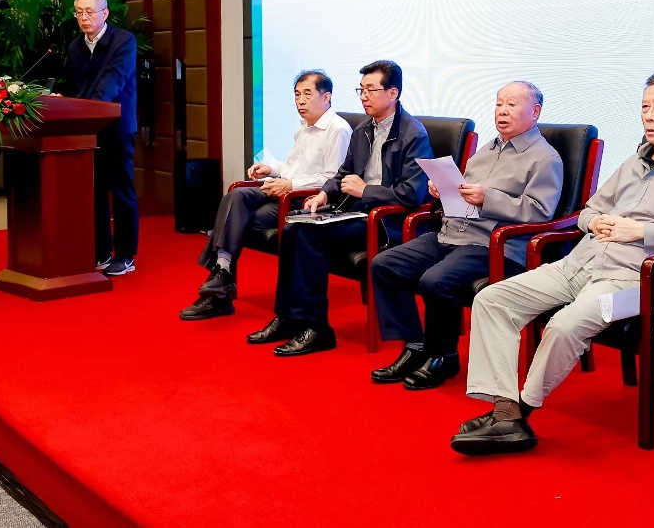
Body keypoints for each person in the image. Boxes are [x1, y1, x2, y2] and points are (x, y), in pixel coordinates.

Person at [451, 72, 654, 455]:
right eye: (645, 107)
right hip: (579, 264)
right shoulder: (634, 161)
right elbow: (588, 211)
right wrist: (594, 222)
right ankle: (504, 410)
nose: (649, 116)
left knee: (564, 325)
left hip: (638, 282)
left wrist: (644, 231)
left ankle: (519, 413)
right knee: (491, 299)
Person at [369, 82, 563, 391]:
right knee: (385, 264)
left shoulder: (545, 158)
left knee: (435, 281)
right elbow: (464, 193)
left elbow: (540, 212)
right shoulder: (488, 149)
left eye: (512, 105)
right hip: (454, 232)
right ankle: (415, 346)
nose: (502, 111)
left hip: (494, 244)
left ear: (535, 111)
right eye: (499, 104)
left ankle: (442, 356)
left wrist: (489, 198)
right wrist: (443, 191)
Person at [247, 60, 432, 356]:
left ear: (393, 93)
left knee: (310, 236)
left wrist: (366, 191)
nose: (364, 96)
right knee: (293, 228)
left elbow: (412, 193)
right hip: (357, 211)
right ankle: (288, 316)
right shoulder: (364, 129)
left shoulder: (413, 134)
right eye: (361, 90)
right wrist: (323, 194)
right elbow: (343, 173)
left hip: (387, 222)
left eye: (371, 89)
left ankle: (317, 327)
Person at [179, 70, 350, 320]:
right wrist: (272, 170)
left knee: (236, 218)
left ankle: (219, 287)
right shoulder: (304, 126)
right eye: (297, 95)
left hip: (306, 200)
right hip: (285, 189)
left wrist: (290, 184)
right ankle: (221, 274)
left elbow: (332, 179)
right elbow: (294, 166)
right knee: (236, 196)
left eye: (307, 94)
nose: (300, 101)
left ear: (326, 97)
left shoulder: (338, 130)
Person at [62, 0, 140, 277]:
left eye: (89, 12)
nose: (84, 17)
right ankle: (101, 252)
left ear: (104, 14)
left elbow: (113, 80)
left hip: (117, 126)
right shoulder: (75, 46)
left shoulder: (123, 41)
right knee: (94, 192)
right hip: (88, 129)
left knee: (121, 190)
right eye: (79, 12)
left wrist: (87, 108)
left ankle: (126, 255)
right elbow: (75, 86)